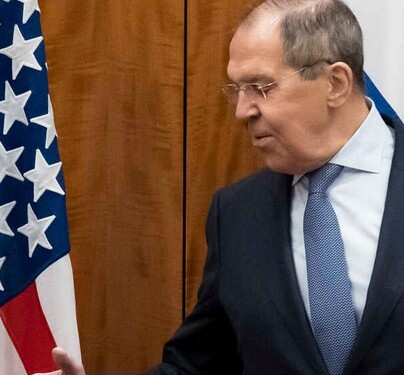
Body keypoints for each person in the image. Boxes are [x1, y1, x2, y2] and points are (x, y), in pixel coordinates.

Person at [39, 0, 404, 374]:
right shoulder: (237, 214)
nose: (242, 111)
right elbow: (197, 365)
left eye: (260, 87)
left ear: (335, 83)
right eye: (238, 89)